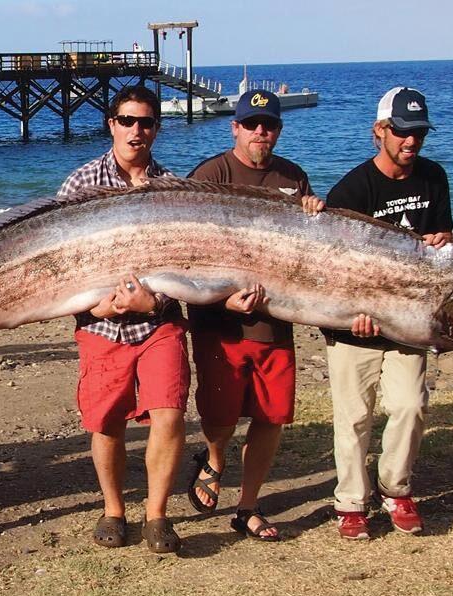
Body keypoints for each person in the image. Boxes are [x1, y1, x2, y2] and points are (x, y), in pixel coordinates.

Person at [183, 90, 324, 542]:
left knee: (271, 415)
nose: (260, 132)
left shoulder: (293, 177)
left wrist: (316, 213)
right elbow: (185, 251)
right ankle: (214, 457)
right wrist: (222, 301)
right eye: (251, 124)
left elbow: (308, 250)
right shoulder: (211, 174)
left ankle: (248, 506)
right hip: (220, 325)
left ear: (278, 130)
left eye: (269, 125)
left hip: (274, 321)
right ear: (235, 128)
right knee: (221, 416)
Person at [55, 86, 186, 554]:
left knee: (170, 413)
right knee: (106, 421)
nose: (136, 130)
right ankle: (113, 509)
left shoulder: (173, 188)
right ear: (112, 124)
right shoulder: (81, 183)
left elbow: (189, 260)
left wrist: (154, 304)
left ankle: (157, 515)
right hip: (101, 326)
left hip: (158, 323)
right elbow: (57, 261)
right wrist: (96, 309)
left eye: (146, 122)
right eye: (127, 120)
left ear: (157, 128)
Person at [322, 87, 453, 540]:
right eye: (401, 132)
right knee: (354, 416)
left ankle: (395, 487)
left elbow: (441, 243)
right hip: (354, 322)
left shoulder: (434, 177)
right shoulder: (352, 188)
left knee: (410, 405)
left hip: (407, 319)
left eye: (419, 133)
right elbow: (330, 265)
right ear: (380, 131)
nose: (411, 141)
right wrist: (352, 312)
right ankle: (351, 501)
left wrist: (442, 242)